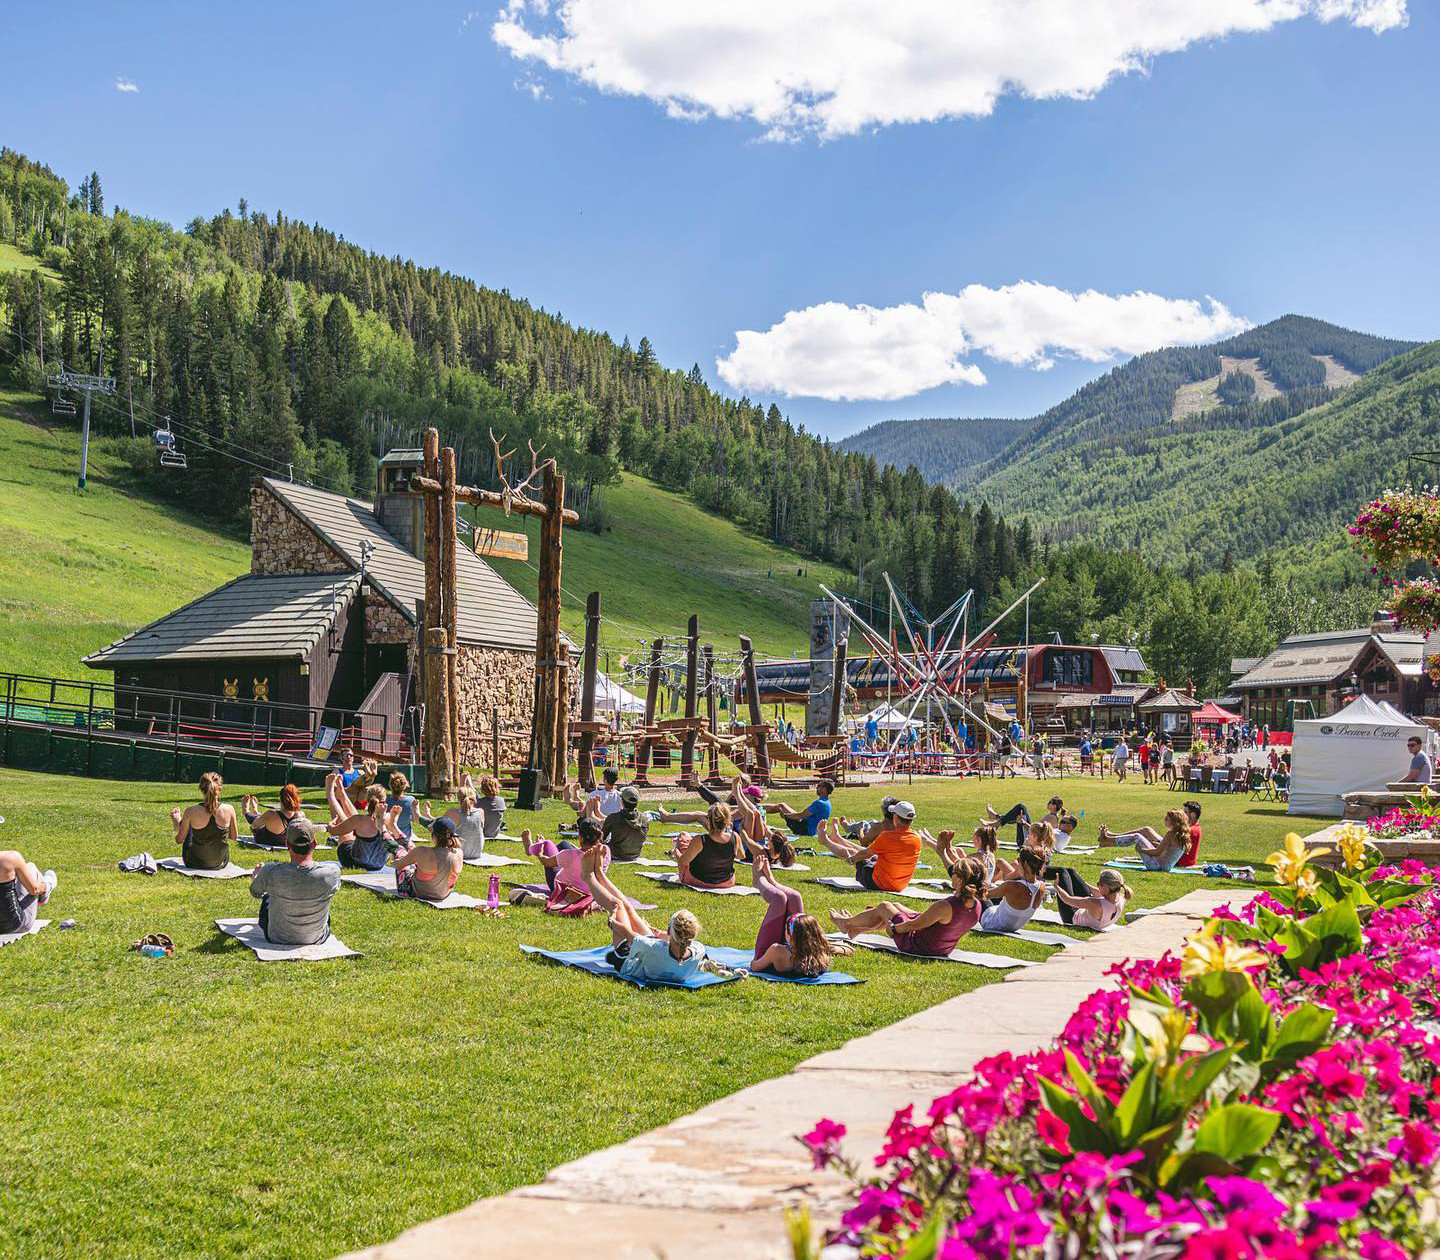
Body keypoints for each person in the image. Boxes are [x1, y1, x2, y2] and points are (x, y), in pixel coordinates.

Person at [829, 855, 987, 957]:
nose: (951, 874)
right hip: (941, 947)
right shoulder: (977, 905)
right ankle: (857, 929)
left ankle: (846, 923)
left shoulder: (946, 906)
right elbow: (936, 922)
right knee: (896, 905)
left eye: (954, 872)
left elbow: (914, 925)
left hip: (918, 946)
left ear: (959, 879)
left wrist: (894, 929)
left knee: (885, 907)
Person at [746, 846, 836, 977]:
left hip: (771, 956)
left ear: (790, 936)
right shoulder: (821, 955)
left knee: (779, 898)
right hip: (796, 950)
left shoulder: (776, 950)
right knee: (795, 897)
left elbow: (754, 966)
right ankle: (772, 881)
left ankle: (758, 880)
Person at [248, 818, 339, 946]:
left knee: (268, 896)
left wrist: (257, 878)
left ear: (287, 845)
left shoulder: (271, 871)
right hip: (316, 938)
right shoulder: (332, 872)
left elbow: (255, 892)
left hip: (277, 938)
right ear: (315, 844)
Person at [817, 800, 922, 892]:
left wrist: (852, 860)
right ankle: (838, 838)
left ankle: (825, 841)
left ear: (896, 818)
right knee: (866, 853)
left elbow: (864, 854)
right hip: (900, 885)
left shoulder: (887, 837)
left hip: (878, 883)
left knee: (855, 854)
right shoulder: (917, 838)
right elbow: (868, 851)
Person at [606, 907, 723, 984]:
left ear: (669, 932)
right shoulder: (699, 950)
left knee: (618, 905)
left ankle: (591, 876)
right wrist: (655, 932)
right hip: (654, 956)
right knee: (628, 909)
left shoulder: (653, 948)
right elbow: (677, 940)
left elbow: (627, 932)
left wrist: (612, 922)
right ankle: (594, 876)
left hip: (627, 962)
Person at [170, 772, 238, 870]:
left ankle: (178, 822)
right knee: (194, 825)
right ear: (220, 788)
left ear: (201, 789)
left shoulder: (191, 811)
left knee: (190, 827)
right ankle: (180, 823)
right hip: (220, 863)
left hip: (194, 863)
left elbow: (179, 840)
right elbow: (234, 837)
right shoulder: (230, 809)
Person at [327, 780, 395, 871]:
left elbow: (333, 831)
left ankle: (331, 793)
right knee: (355, 822)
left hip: (354, 862)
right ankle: (342, 795)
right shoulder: (389, 818)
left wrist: (330, 824)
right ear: (384, 800)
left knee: (344, 823)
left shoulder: (359, 820)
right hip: (378, 864)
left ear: (367, 799)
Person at [394, 815, 463, 902]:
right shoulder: (459, 853)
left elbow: (398, 865)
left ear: (433, 834)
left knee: (400, 853)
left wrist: (396, 862)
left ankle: (383, 829)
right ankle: (393, 827)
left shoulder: (422, 851)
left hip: (417, 893)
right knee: (412, 852)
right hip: (443, 895)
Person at [978, 847, 1048, 933]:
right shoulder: (1042, 887)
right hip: (1013, 927)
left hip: (991, 923)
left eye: (1019, 860)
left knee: (974, 890)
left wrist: (981, 883)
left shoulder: (1012, 886)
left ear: (1025, 863)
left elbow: (984, 895)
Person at [674, 804, 743, 890]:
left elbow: (682, 862)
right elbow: (741, 856)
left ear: (708, 820)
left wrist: (676, 851)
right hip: (726, 882)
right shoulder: (735, 837)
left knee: (683, 842)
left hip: (697, 880)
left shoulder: (700, 840)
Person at [1097, 807, 1189, 872]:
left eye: (1166, 819)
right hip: (1164, 866)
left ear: (1173, 822)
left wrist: (1142, 850)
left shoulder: (1171, 835)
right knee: (1145, 832)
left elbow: (1157, 852)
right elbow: (1167, 851)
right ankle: (1108, 839)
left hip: (1157, 866)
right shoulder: (1179, 835)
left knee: (1137, 836)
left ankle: (1107, 839)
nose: (1164, 820)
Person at [417, 785, 489, 860]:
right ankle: (422, 815)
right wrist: (429, 815)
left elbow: (438, 824)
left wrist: (427, 815)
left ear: (458, 798)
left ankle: (417, 815)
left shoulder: (453, 812)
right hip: (476, 853)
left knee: (439, 831)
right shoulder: (480, 812)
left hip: (458, 853)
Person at [1051, 868, 1132, 929]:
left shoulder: (1093, 903)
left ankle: (1038, 872)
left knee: (1062, 872)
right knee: (1071, 872)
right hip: (1093, 917)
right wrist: (1084, 884)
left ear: (1105, 887)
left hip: (1070, 917)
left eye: (1098, 884)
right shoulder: (1121, 897)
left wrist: (1056, 887)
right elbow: (1102, 893)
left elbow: (1067, 899)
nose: (1097, 886)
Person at [0, 848, 56, 936]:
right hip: (15, 925)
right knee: (31, 867)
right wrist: (46, 886)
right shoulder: (10, 858)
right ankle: (46, 890)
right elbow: (35, 890)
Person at [241, 784, 309, 845]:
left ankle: (246, 811)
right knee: (266, 818)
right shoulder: (301, 815)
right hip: (286, 842)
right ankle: (255, 811)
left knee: (261, 819)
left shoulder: (271, 814)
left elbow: (254, 826)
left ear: (281, 799)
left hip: (265, 839)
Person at [985, 796, 1063, 848]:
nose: (1048, 804)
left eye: (1050, 802)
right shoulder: (1053, 816)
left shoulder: (1051, 817)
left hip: (1028, 841)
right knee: (1019, 813)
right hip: (1030, 839)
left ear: (1054, 806)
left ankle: (996, 820)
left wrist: (1023, 823)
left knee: (1021, 807)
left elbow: (1038, 832)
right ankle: (997, 819)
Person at [766, 779, 834, 837]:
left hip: (805, 830)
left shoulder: (819, 803)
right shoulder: (827, 802)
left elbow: (800, 816)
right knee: (782, 805)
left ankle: (757, 809)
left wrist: (785, 815)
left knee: (780, 807)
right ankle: (758, 808)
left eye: (819, 786)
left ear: (824, 789)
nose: (816, 787)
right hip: (810, 828)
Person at [602, 785, 650, 862]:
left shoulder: (613, 818)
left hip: (616, 854)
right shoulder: (644, 818)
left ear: (622, 801)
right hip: (635, 854)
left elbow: (601, 838)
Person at [385, 772, 418, 841]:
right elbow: (415, 821)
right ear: (405, 785)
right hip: (406, 836)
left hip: (390, 836)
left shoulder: (385, 801)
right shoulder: (411, 800)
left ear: (390, 785)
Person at [1177, 800, 1204, 868]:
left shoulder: (1191, 830)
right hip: (1186, 861)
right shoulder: (1195, 827)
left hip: (1181, 861)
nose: (1183, 815)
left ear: (1193, 815)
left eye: (1185, 812)